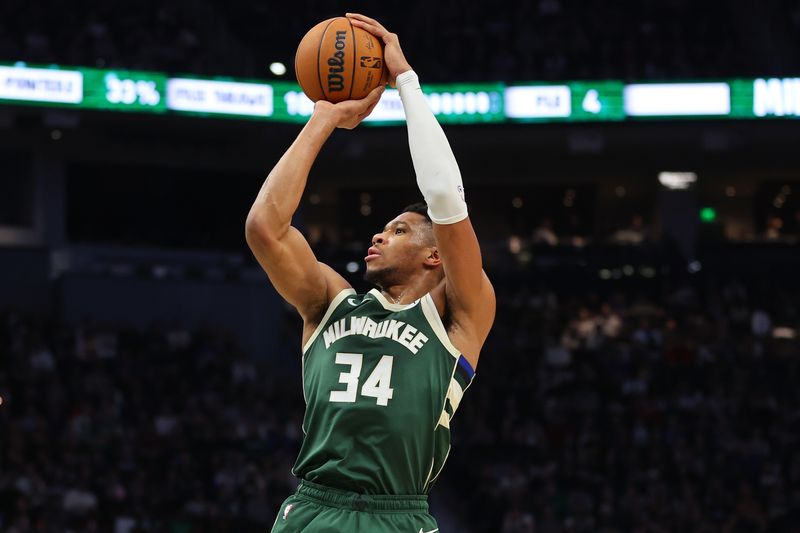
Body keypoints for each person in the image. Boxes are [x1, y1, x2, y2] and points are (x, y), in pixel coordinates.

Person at [245, 13, 496, 533]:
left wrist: (406, 83)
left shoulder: (457, 316)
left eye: (400, 230)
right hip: (313, 508)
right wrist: (324, 118)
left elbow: (446, 198)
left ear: (436, 258)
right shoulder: (330, 302)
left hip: (397, 515)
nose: (379, 236)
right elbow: (265, 228)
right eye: (383, 229)